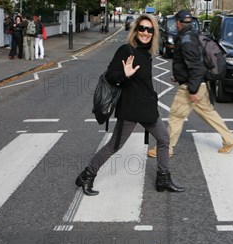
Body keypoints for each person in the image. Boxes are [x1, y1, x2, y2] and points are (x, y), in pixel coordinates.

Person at [75, 14, 184, 196]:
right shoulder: (126, 50)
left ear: (154, 33)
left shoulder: (147, 53)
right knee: (114, 146)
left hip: (147, 109)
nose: (145, 33)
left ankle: (163, 178)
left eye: (150, 30)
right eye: (142, 28)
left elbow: (144, 83)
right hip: (130, 109)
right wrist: (124, 74)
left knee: (164, 139)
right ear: (135, 30)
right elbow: (111, 75)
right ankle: (87, 175)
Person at [147, 10, 233, 158]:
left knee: (176, 116)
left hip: (192, 85)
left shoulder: (186, 40)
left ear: (178, 23)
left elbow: (196, 67)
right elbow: (189, 63)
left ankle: (166, 148)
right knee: (208, 113)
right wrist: (178, 76)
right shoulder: (192, 36)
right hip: (198, 83)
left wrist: (193, 90)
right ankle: (230, 139)